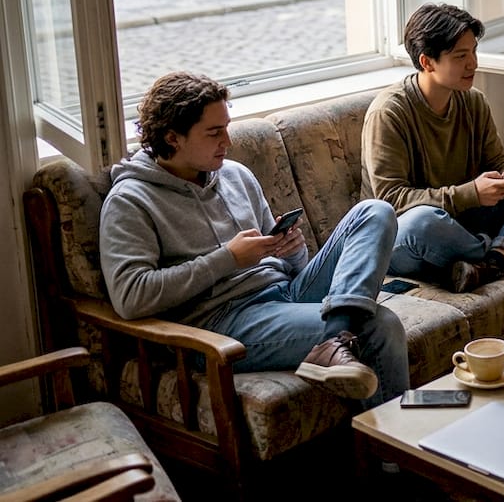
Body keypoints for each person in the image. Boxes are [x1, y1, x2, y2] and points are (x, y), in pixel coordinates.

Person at [100, 72, 408, 406]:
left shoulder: (235, 175)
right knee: (380, 324)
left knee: (374, 212)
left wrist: (291, 253)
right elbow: (130, 297)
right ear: (173, 138)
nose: (227, 142)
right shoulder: (130, 200)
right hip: (223, 321)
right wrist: (227, 259)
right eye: (215, 132)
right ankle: (392, 457)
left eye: (227, 127)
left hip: (284, 293)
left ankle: (336, 332)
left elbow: (286, 267)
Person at [362, 3, 504, 293]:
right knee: (422, 222)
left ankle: (491, 262)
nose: (473, 63)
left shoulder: (473, 101)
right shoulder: (389, 113)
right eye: (461, 56)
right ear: (427, 62)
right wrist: (470, 193)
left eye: (473, 51)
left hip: (465, 223)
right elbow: (391, 201)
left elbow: (498, 158)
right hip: (405, 238)